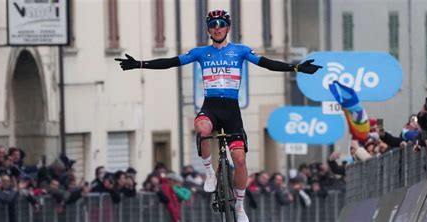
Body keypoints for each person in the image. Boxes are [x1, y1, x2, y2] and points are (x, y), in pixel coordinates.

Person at [115, 9, 322, 221]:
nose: (217, 27)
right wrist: (140, 64)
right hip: (211, 106)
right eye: (213, 24)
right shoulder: (200, 52)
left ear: (228, 27)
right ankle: (210, 173)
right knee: (202, 128)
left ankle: (240, 206)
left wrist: (296, 67)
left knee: (240, 161)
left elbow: (268, 63)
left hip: (231, 110)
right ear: (208, 29)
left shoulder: (240, 51)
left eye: (221, 23)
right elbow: (170, 62)